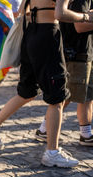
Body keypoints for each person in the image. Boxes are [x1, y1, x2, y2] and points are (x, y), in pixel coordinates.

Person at [0, 0, 93, 168]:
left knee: (27, 92)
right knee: (58, 98)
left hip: (31, 33)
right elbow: (60, 14)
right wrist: (86, 16)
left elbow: (20, 11)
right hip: (47, 35)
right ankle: (52, 152)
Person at [36, 0, 93, 146]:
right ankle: (44, 130)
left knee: (87, 95)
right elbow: (79, 26)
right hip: (76, 53)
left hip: (84, 52)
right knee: (65, 95)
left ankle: (85, 134)